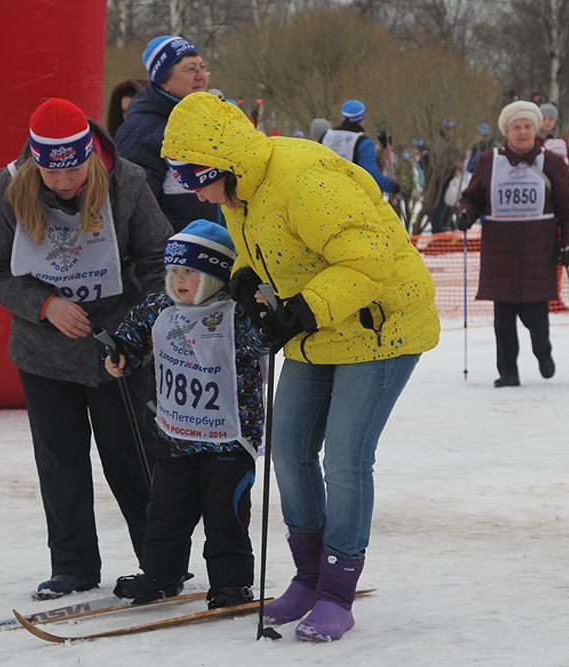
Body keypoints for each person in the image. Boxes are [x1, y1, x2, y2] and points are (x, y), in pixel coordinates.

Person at [161, 92, 440, 643]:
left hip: (382, 326)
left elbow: (369, 256)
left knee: (344, 458)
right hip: (319, 331)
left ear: (224, 165)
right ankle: (308, 576)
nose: (193, 190)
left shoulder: (306, 177)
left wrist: (304, 309)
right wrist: (244, 280)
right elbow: (260, 251)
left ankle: (337, 589)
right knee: (288, 450)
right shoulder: (237, 195)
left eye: (195, 177)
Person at [0, 97, 172, 600]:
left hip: (116, 348)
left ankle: (161, 560)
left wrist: (138, 326)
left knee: (132, 457)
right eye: (52, 173)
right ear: (35, 163)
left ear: (89, 156)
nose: (65, 182)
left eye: (76, 170)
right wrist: (43, 305)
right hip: (44, 352)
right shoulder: (5, 189)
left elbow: (156, 260)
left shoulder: (126, 181)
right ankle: (73, 566)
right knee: (60, 461)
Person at [105, 218, 264, 610]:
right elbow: (133, 331)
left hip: (228, 438)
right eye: (174, 270)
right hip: (175, 434)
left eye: (191, 272)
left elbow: (264, 337)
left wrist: (266, 310)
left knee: (225, 515)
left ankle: (231, 584)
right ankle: (161, 573)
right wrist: (120, 351)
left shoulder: (234, 314)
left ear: (214, 276)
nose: (178, 280)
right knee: (164, 512)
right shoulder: (161, 307)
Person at [456, 101, 569, 387]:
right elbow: (472, 197)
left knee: (536, 313)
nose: (522, 132)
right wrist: (465, 214)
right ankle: (507, 371)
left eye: (527, 127)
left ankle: (543, 352)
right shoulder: (490, 160)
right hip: (499, 249)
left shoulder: (551, 162)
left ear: (535, 129)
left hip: (539, 248)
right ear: (506, 131)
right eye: (516, 127)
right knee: (503, 316)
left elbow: (568, 209)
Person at [113, 35, 218, 232]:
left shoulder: (208, 116)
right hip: (179, 252)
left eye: (203, 67)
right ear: (164, 82)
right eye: (190, 69)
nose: (201, 76)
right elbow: (135, 210)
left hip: (218, 243)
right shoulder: (141, 130)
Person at [321, 99, 399, 196]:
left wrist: (381, 149)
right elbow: (370, 174)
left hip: (325, 191)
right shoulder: (363, 142)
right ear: (362, 119)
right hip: (349, 195)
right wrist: (392, 187)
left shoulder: (326, 136)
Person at [424, 118, 460, 233]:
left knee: (447, 206)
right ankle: (438, 231)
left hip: (446, 180)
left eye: (451, 129)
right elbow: (440, 165)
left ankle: (448, 227)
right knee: (439, 206)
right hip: (440, 181)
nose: (449, 131)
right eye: (447, 129)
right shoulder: (439, 144)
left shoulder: (451, 143)